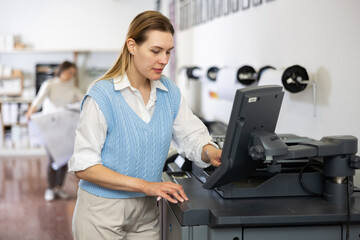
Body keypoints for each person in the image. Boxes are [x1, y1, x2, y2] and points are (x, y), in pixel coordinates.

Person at [68, 10, 222, 240]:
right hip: (101, 212)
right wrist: (147, 186)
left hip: (146, 212)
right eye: (156, 51)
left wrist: (211, 151)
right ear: (132, 46)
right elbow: (84, 166)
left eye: (169, 52)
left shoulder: (169, 91)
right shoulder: (101, 95)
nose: (164, 60)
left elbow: (192, 136)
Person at [26, 61, 84, 201]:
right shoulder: (50, 84)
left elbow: (84, 100)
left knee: (63, 159)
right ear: (62, 71)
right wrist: (30, 112)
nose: (71, 76)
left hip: (65, 128)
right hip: (50, 128)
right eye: (69, 73)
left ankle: (59, 188)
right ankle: (50, 188)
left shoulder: (72, 88)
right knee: (52, 159)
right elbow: (38, 100)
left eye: (73, 74)